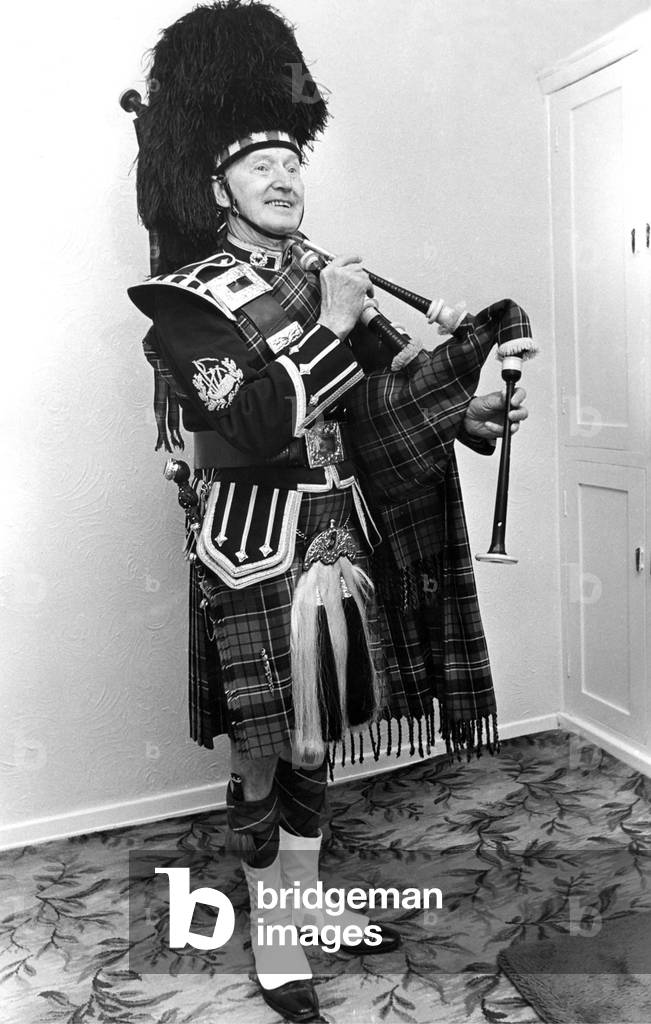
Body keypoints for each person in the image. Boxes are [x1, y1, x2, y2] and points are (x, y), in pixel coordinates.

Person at [127, 3, 528, 1021]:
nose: (282, 175)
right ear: (212, 185)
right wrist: (335, 329)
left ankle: (291, 913)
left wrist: (474, 406)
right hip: (252, 550)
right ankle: (276, 932)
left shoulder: (322, 272)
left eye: (288, 158)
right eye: (255, 163)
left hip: (339, 540)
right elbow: (246, 430)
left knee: (319, 739)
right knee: (265, 746)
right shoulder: (186, 299)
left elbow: (394, 388)